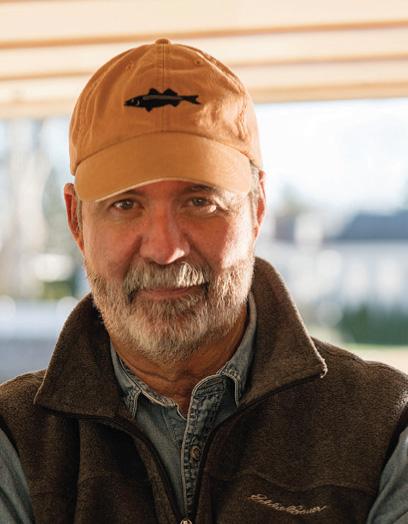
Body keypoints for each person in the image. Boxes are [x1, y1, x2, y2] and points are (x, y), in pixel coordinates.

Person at [0, 38, 407, 524]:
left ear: (257, 208)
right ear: (75, 221)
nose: (164, 248)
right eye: (125, 204)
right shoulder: (13, 441)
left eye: (201, 201)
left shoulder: (384, 429)